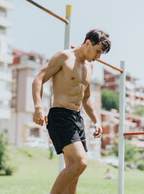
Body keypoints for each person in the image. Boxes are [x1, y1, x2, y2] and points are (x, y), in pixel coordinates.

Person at [32, 29, 111, 194]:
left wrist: (96, 120)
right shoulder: (64, 57)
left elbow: (87, 97)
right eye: (97, 51)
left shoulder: (90, 66)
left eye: (101, 54)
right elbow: (39, 79)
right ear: (88, 43)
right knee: (81, 162)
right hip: (60, 116)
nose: (98, 57)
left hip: (77, 118)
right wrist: (38, 107)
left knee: (74, 175)